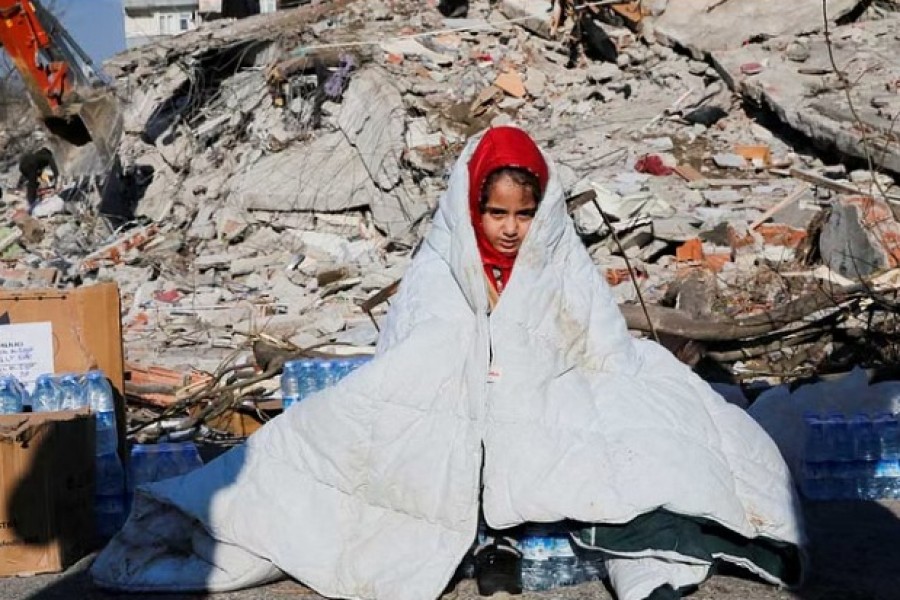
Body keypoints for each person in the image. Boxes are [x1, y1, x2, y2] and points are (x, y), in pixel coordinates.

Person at [91, 127, 804, 600]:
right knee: (338, 448)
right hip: (459, 401)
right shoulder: (445, 259)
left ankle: (641, 565)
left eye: (524, 214)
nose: (511, 229)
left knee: (656, 439)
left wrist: (541, 366)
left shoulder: (555, 255)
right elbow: (420, 344)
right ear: (473, 209)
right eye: (498, 214)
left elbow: (591, 337)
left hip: (543, 398)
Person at [18, 147, 57, 212]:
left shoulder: (36, 156)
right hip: (30, 164)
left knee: (32, 182)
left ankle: (31, 198)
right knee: (32, 183)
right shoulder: (46, 155)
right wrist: (57, 175)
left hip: (22, 166)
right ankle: (31, 203)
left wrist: (19, 184)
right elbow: (50, 160)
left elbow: (31, 173)